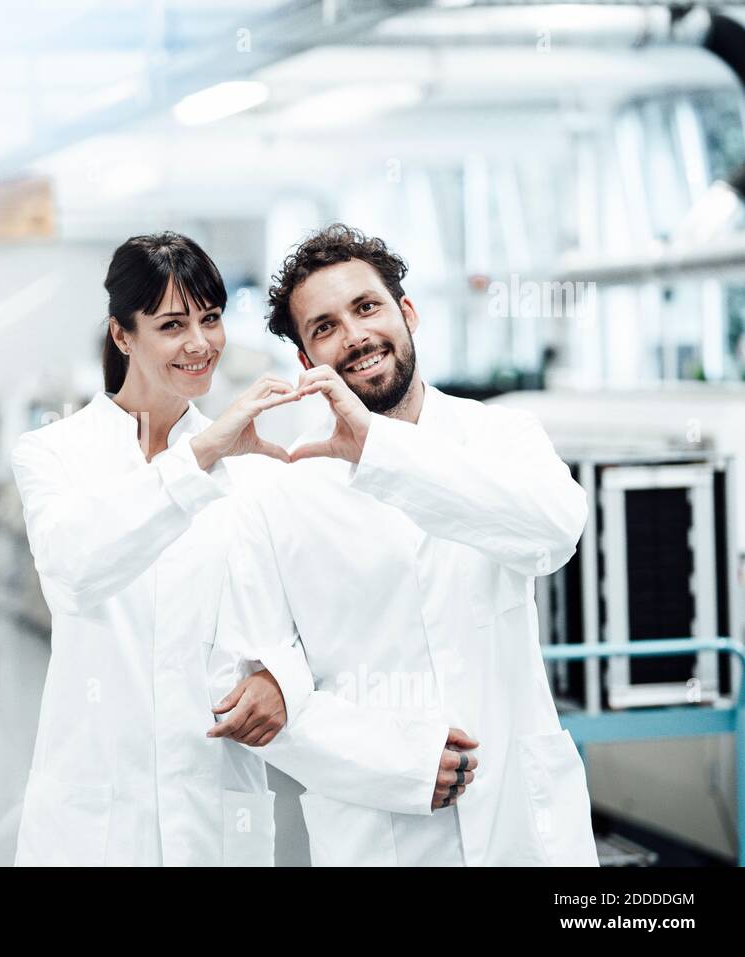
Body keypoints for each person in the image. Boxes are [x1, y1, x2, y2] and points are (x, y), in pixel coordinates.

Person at [11, 231, 437, 866]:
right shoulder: (53, 455)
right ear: (122, 336)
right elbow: (75, 572)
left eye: (210, 320)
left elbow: (293, 630)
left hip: (214, 812)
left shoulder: (256, 472)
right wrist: (202, 454)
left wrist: (278, 680)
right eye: (172, 324)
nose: (200, 344)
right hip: (93, 819)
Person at [209, 223, 598, 866]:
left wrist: (381, 453)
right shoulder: (277, 492)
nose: (355, 336)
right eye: (324, 327)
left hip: (522, 825)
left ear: (406, 314)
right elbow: (254, 707)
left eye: (367, 307)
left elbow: (554, 532)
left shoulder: (501, 436)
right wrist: (399, 763)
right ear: (307, 363)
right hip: (381, 837)